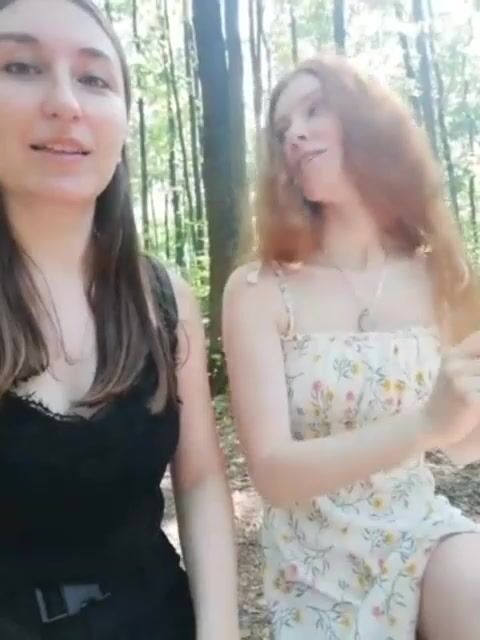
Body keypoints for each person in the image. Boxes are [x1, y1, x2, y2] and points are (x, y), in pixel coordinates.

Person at [0, 0, 239, 638]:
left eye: (93, 77)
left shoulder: (164, 299)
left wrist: (219, 630)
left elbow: (200, 480)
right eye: (21, 66)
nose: (64, 102)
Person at [222, 54, 480, 640]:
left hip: (423, 535)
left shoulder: (438, 274)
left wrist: (466, 406)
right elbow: (273, 474)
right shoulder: (259, 290)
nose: (295, 133)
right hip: (316, 565)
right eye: (283, 127)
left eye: (315, 110)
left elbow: (464, 444)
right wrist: (424, 424)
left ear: (370, 123)